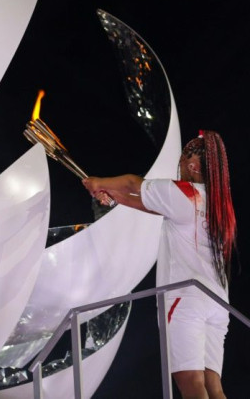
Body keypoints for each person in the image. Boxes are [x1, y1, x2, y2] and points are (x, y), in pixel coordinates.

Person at [82, 130, 236, 399]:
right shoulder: (219, 205)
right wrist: (111, 195)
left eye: (181, 163)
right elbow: (148, 204)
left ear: (191, 165)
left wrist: (97, 181)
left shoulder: (186, 192)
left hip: (186, 298)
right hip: (218, 302)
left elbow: (132, 182)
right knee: (214, 386)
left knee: (191, 383)